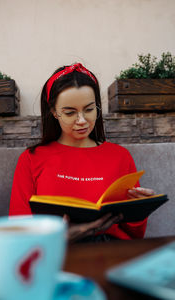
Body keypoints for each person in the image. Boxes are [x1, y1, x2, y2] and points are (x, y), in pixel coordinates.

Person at [9, 63, 154, 243]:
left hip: (111, 252)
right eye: (70, 113)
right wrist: (59, 237)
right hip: (54, 251)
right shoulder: (31, 158)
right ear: (54, 111)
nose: (82, 121)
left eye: (89, 109)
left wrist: (139, 209)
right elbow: (18, 227)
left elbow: (135, 235)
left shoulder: (120, 156)